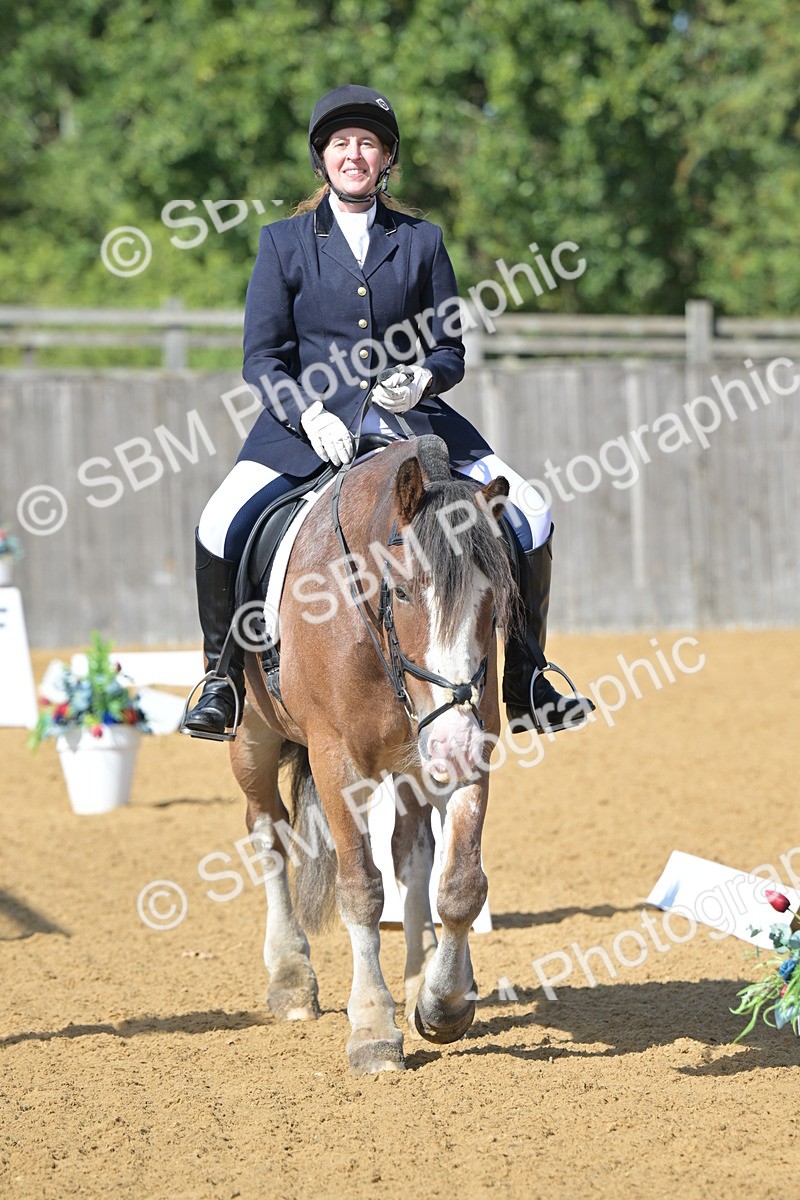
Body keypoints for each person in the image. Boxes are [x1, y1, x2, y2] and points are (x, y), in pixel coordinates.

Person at [183, 84, 593, 739]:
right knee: (218, 523)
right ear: (323, 158)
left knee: (532, 512)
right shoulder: (284, 243)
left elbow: (451, 349)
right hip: (305, 428)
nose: (354, 154)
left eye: (368, 143)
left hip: (413, 421)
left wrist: (423, 377)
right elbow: (262, 359)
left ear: (386, 159)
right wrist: (307, 414)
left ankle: (527, 682)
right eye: (341, 143)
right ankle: (221, 680)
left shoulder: (422, 241)